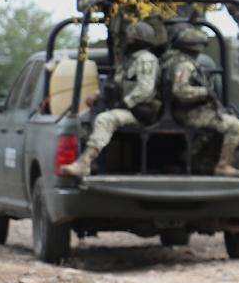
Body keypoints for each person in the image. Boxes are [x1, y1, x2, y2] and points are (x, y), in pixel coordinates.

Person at [61, 21, 164, 178]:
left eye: (129, 38)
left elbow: (145, 89)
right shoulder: (129, 61)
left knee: (105, 119)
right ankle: (91, 162)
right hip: (127, 108)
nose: (126, 41)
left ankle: (84, 162)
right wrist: (98, 95)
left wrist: (124, 103)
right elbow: (116, 83)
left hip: (142, 111)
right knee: (83, 118)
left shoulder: (146, 59)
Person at [160, 25, 239, 177]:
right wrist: (204, 93)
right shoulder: (184, 65)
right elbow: (180, 91)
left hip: (187, 110)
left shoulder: (177, 60)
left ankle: (193, 158)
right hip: (187, 112)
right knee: (236, 127)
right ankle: (223, 166)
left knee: (224, 119)